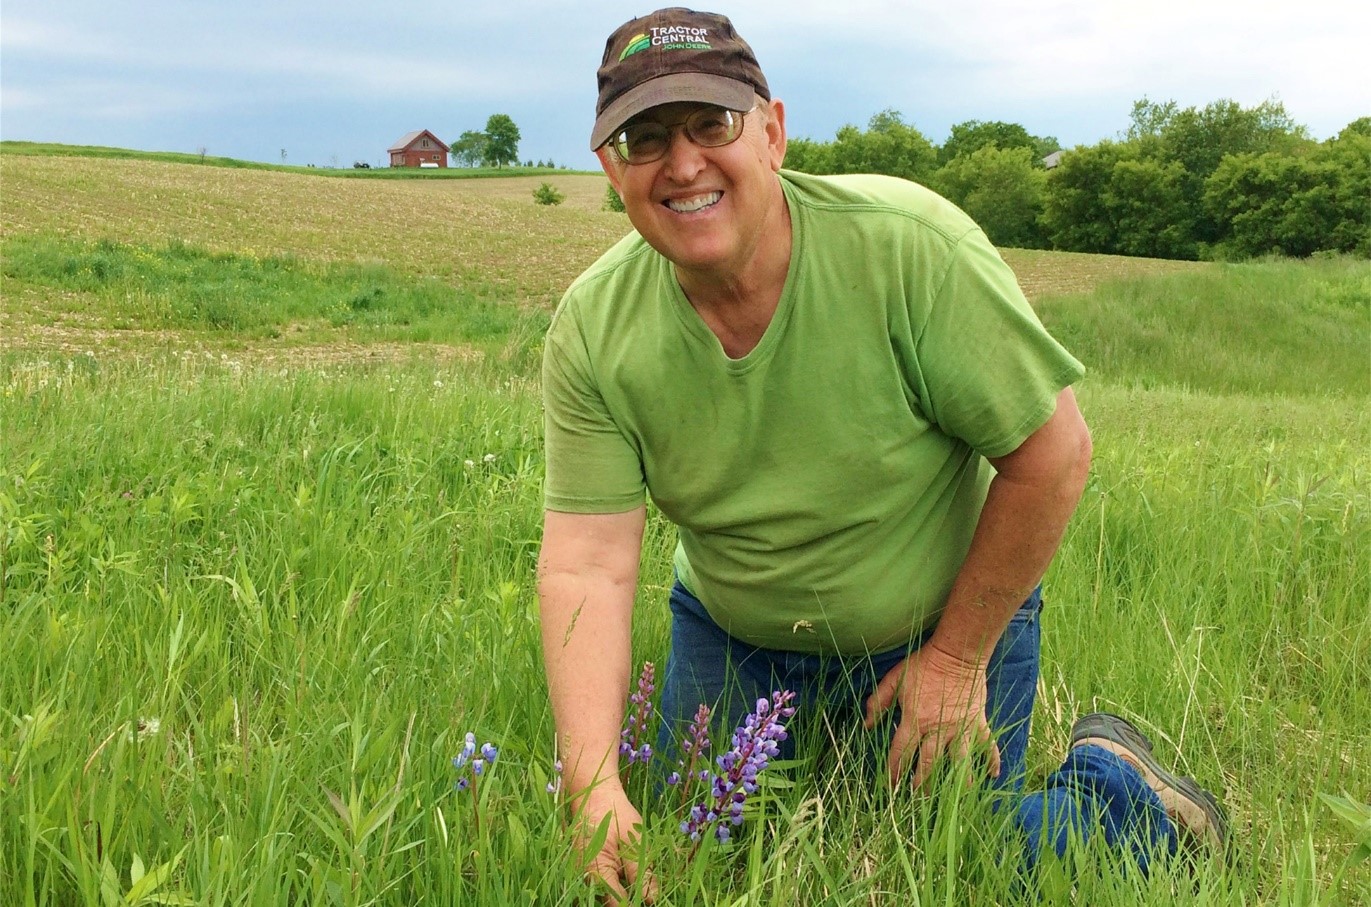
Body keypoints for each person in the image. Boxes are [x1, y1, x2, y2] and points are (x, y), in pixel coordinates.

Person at [537, 7, 1227, 900]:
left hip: (936, 625)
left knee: (952, 868)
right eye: (644, 138)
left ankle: (1115, 791)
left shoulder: (909, 249)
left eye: (711, 124)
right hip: (731, 631)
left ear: (773, 132)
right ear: (609, 169)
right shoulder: (595, 326)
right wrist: (593, 784)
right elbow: (588, 565)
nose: (682, 164)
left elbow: (1051, 454)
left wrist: (954, 659)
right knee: (688, 849)